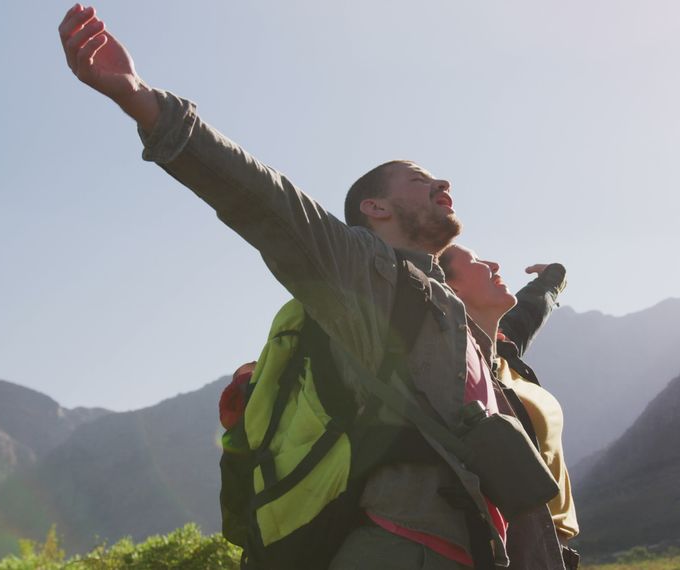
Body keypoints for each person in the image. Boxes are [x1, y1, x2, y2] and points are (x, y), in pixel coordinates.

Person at [57, 5, 565, 569]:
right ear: (375, 208)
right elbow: (269, 203)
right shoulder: (367, 275)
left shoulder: (454, 317)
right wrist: (142, 101)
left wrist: (552, 281)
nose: (442, 182)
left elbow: (518, 328)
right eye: (420, 180)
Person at [438, 246, 579, 569]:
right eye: (476, 262)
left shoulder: (502, 352)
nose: (494, 264)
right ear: (451, 289)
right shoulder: (452, 368)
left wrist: (553, 278)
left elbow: (531, 309)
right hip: (507, 551)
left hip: (553, 547)